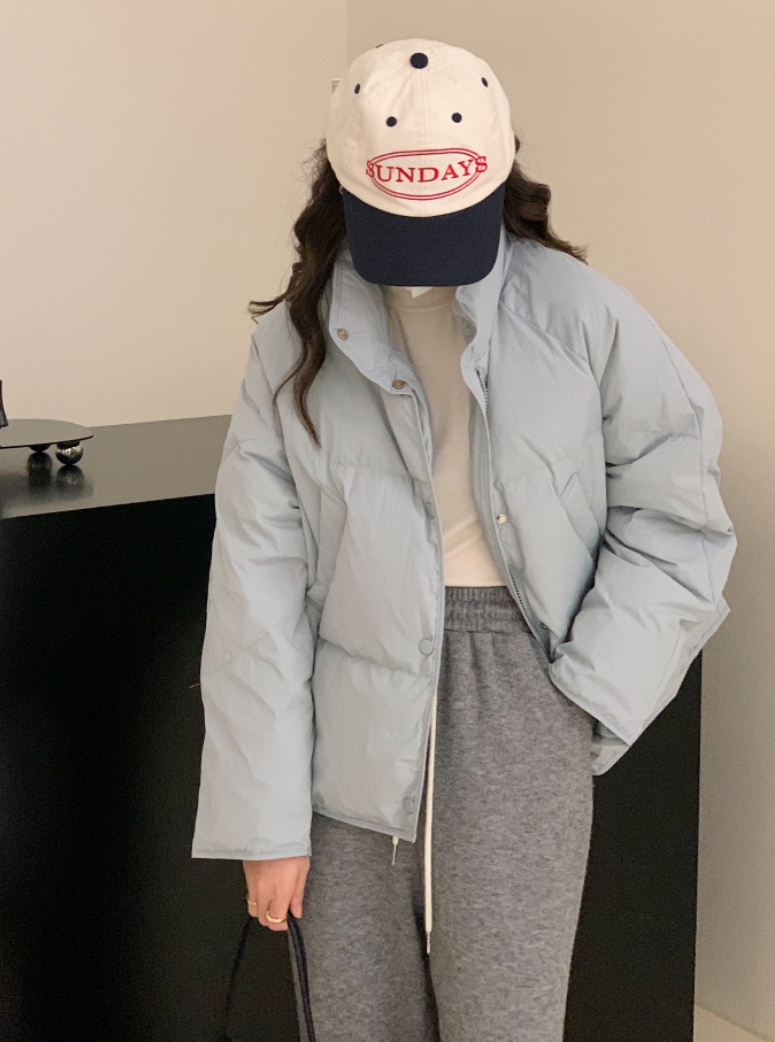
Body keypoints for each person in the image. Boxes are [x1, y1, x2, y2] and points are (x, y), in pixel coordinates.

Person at [191, 38, 737, 1042]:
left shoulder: (581, 315)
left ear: (495, 172)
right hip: (345, 701)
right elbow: (256, 587)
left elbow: (680, 517)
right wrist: (263, 819)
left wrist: (584, 694)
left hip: (521, 692)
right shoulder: (292, 345)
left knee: (506, 1020)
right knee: (355, 1018)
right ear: (345, 183)